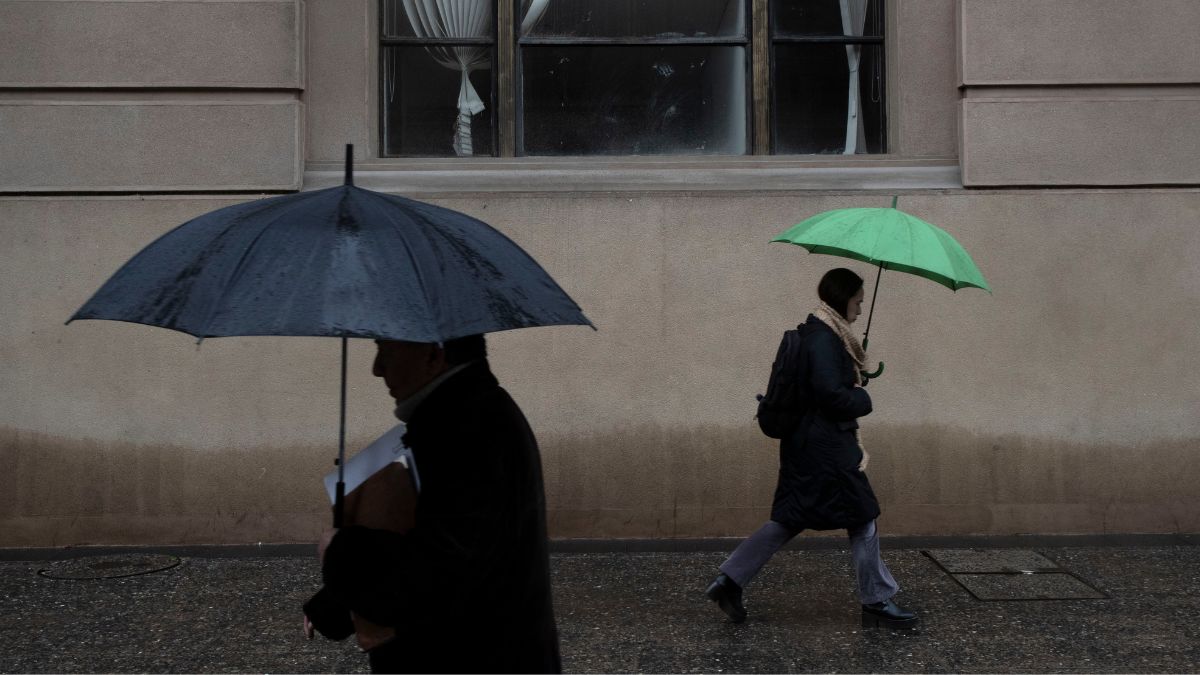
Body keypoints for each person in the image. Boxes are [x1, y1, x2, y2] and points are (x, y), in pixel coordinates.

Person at [303, 334, 562, 673]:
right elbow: (430, 537)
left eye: (384, 349)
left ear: (433, 354)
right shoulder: (466, 415)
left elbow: (435, 573)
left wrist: (342, 551)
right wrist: (331, 606)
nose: (376, 369)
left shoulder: (465, 430)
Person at [706, 268, 918, 629]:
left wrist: (849, 374)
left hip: (807, 445)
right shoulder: (823, 339)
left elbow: (824, 385)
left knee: (790, 518)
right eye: (857, 301)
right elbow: (830, 395)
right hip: (826, 449)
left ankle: (729, 581)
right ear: (843, 298)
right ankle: (877, 601)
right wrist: (861, 395)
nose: (860, 309)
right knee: (863, 517)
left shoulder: (822, 334)